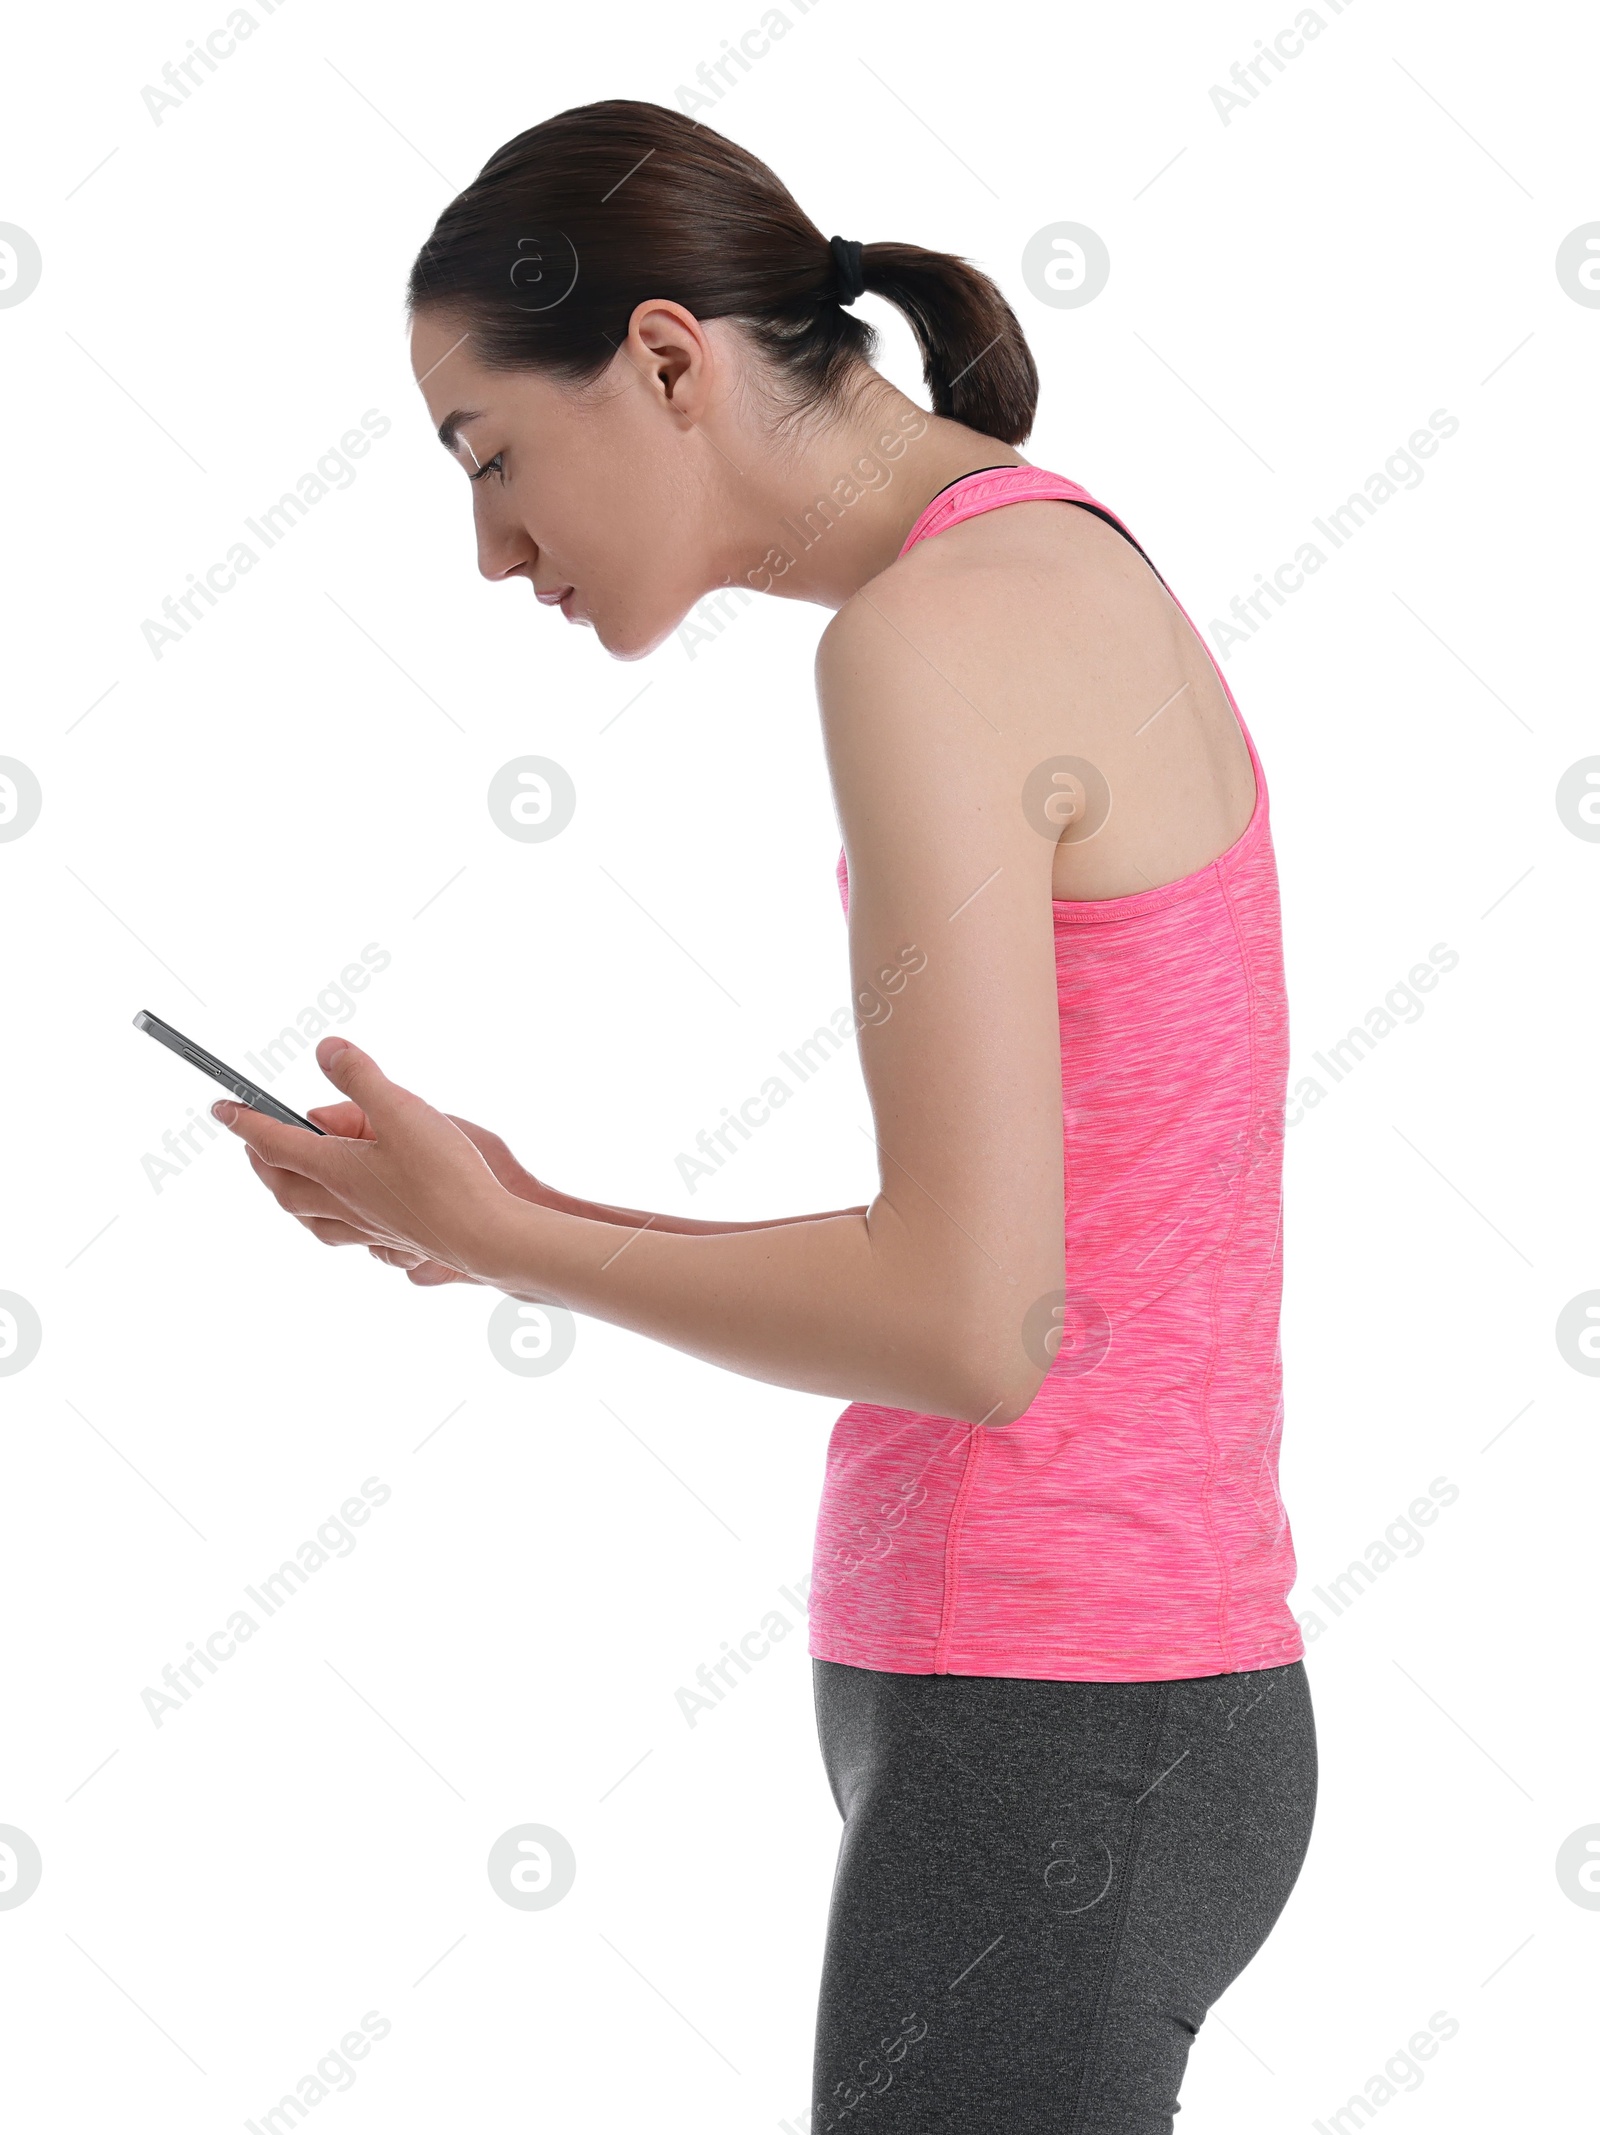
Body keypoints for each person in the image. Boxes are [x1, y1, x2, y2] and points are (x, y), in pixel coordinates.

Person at [212, 99, 1316, 2133]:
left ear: (660, 361)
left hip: (1055, 1713)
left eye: (488, 457)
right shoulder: (1026, 572)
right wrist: (515, 1203)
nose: (488, 549)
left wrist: (499, 1241)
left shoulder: (935, 636)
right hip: (1061, 1710)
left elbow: (967, 1328)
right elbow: (1000, 1263)